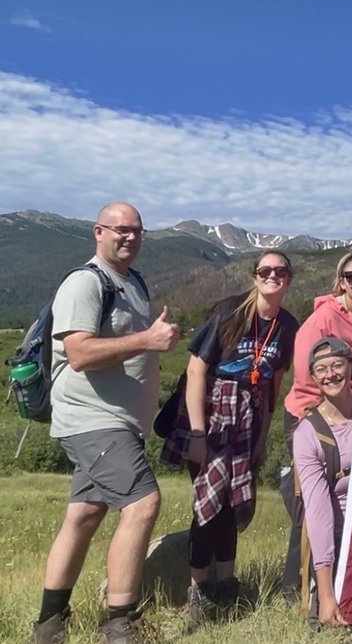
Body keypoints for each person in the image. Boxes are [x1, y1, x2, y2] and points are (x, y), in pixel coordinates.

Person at [33, 202, 180, 644]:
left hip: (118, 421)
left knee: (83, 514)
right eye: (119, 230)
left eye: (136, 231)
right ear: (98, 232)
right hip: (94, 420)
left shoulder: (132, 282)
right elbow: (79, 353)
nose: (129, 237)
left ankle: (49, 624)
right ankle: (120, 623)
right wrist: (147, 340)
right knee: (143, 504)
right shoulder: (84, 282)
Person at [161, 250, 299, 623]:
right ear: (254, 276)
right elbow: (195, 371)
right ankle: (198, 591)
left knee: (235, 501)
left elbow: (273, 384)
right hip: (211, 409)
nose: (273, 276)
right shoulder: (231, 313)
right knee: (208, 503)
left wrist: (260, 440)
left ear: (288, 278)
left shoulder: (286, 325)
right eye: (265, 270)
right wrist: (197, 433)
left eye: (280, 271)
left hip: (249, 415)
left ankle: (227, 587)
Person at [280, 249, 352, 598]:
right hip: (312, 416)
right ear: (341, 281)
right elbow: (309, 380)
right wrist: (321, 426)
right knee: (308, 503)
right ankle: (297, 586)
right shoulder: (321, 319)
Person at [294, 337, 352, 627]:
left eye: (337, 365)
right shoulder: (308, 433)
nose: (330, 374)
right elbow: (319, 514)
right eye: (321, 369)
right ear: (313, 376)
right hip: (337, 529)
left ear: (351, 367)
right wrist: (326, 592)